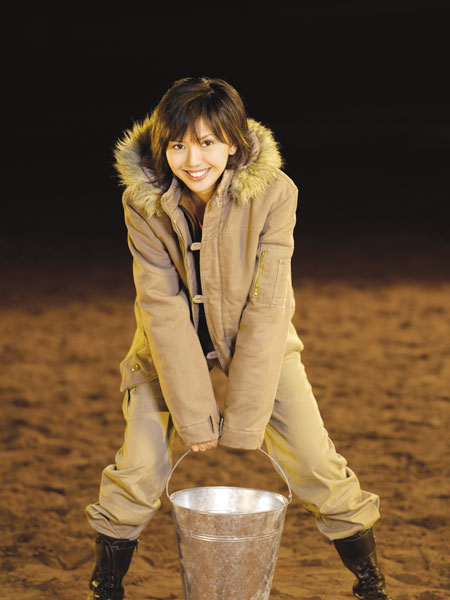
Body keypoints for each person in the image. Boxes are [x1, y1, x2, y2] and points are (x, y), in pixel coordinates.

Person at [85, 77, 393, 600]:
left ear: (233, 142)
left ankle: (371, 582)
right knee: (139, 466)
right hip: (165, 343)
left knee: (315, 462)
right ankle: (105, 585)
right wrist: (194, 415)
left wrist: (245, 418)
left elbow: (269, 305)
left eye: (207, 142)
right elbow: (160, 305)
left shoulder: (276, 193)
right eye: (177, 145)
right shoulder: (142, 202)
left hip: (259, 338)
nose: (192, 160)